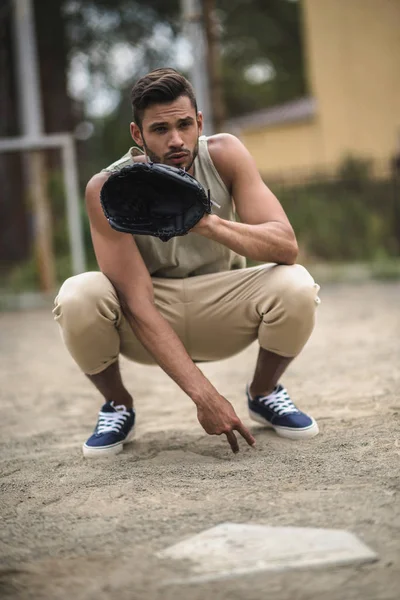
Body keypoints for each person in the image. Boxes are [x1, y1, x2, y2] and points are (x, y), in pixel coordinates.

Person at [53, 68, 321, 458]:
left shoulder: (225, 154)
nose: (176, 140)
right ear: (137, 135)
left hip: (223, 307)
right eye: (160, 129)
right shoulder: (107, 187)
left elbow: (285, 245)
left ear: (199, 123)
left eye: (184, 125)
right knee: (78, 294)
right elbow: (138, 303)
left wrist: (206, 223)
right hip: (148, 313)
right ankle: (117, 404)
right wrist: (205, 396)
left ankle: (263, 392)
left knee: (296, 283)